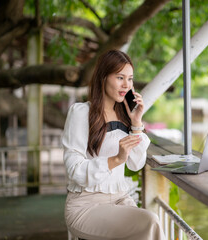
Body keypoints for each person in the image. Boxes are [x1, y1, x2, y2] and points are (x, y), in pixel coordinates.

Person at [62, 49, 165, 240]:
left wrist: (136, 123)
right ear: (103, 77)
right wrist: (116, 159)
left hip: (120, 198)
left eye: (130, 79)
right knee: (150, 222)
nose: (126, 85)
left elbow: (136, 164)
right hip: (85, 206)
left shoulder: (125, 116)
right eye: (120, 77)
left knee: (149, 225)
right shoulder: (81, 113)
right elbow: (73, 169)